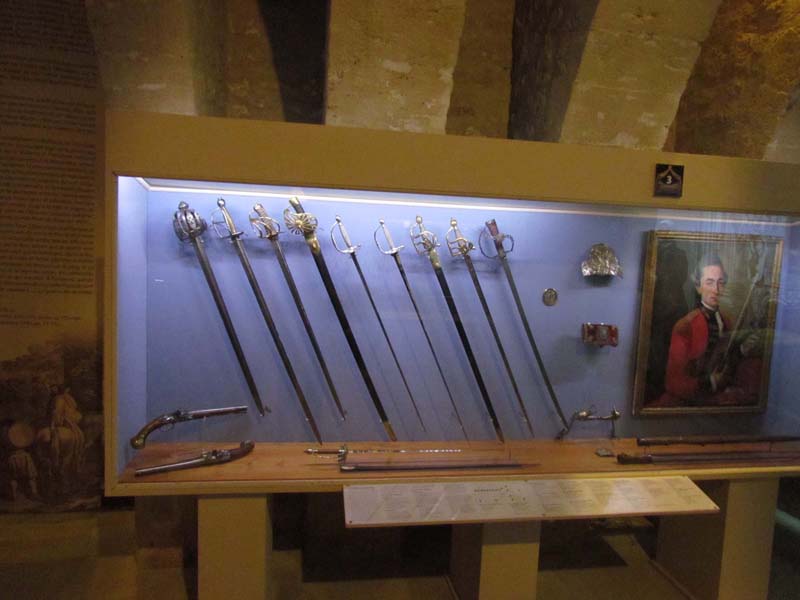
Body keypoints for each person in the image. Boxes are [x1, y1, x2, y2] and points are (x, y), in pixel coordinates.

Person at [656, 253, 758, 407]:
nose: (716, 290)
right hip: (686, 404)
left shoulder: (727, 321)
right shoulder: (685, 326)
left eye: (720, 283)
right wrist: (710, 382)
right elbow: (673, 382)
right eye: (709, 282)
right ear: (698, 287)